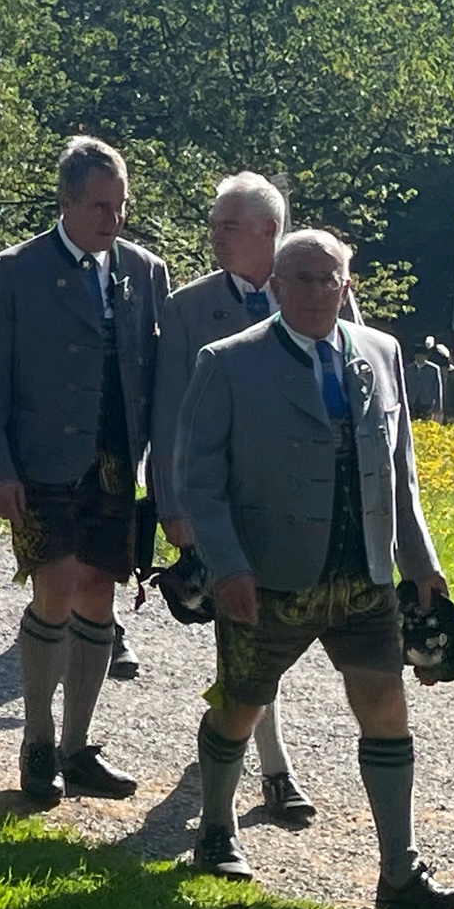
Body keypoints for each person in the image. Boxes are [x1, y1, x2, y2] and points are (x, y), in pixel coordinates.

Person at [176, 228, 454, 909]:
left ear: (346, 286)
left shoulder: (381, 353)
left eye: (326, 278)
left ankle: (400, 874)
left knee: (386, 706)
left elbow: (400, 474)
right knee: (240, 705)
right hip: (267, 577)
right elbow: (199, 482)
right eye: (299, 279)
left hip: (362, 573)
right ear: (275, 287)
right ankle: (216, 830)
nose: (313, 291)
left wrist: (420, 563)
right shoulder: (227, 362)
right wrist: (228, 567)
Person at [0, 136, 172, 805]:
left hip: (114, 460)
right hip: (39, 460)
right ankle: (37, 740)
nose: (114, 219)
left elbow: (157, 378)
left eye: (121, 205)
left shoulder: (145, 271)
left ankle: (78, 747)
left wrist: (164, 474)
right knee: (53, 585)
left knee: (97, 594)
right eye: (100, 206)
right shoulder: (17, 270)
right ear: (66, 201)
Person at [152, 171, 315, 823]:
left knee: (284, 634)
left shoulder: (318, 290)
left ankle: (234, 742)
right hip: (224, 504)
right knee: (249, 634)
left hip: (306, 505)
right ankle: (273, 769)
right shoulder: (187, 310)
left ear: (268, 231)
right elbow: (170, 417)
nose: (214, 235)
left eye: (228, 225)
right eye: (214, 223)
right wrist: (173, 506)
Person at [404, 342, 444, 422]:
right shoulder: (409, 368)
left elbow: (437, 388)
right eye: (418, 355)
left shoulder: (433, 369)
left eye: (422, 355)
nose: (420, 357)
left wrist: (438, 406)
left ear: (426, 356)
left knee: (426, 422)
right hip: (412, 402)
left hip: (427, 402)